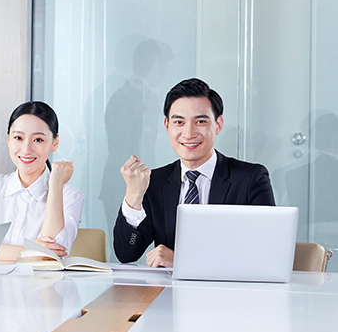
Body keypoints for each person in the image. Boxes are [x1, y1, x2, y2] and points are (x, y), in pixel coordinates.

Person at [113, 78, 275, 267]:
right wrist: (133, 197)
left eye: (200, 121)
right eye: (179, 122)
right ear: (167, 126)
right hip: (169, 286)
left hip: (228, 285)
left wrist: (181, 261)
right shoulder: (155, 182)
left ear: (218, 124)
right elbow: (126, 253)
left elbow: (265, 252)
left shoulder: (250, 179)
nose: (189, 133)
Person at [0, 101, 85, 261]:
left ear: (55, 142)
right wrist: (30, 251)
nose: (26, 150)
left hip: (41, 279)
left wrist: (55, 185)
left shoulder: (70, 195)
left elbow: (51, 255)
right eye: (18, 138)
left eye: (38, 140)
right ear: (8, 140)